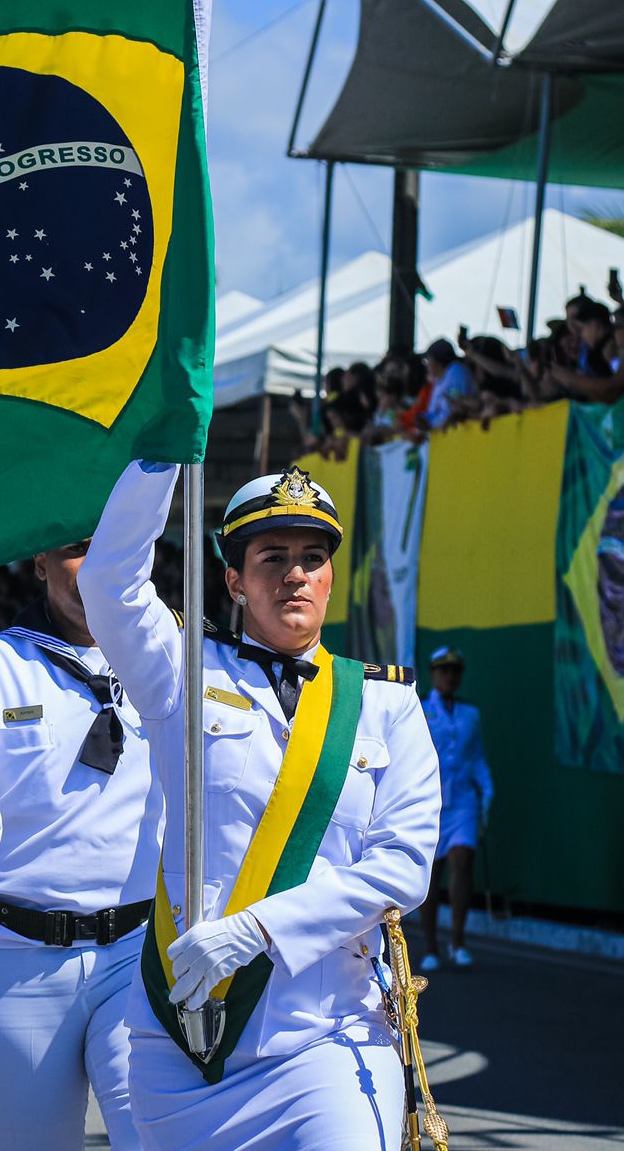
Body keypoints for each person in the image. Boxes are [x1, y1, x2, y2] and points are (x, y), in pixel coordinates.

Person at [77, 461, 441, 1151]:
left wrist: (259, 930)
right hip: (186, 1042)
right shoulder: (180, 667)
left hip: (328, 1031)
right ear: (236, 581)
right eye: (272, 558)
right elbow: (108, 585)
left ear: (331, 577)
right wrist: (160, 456)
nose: (295, 574)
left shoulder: (386, 702)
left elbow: (402, 866)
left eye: (312, 558)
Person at [0, 542, 161, 1151]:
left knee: (159, 1135)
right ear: (40, 562)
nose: (95, 567)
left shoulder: (172, 660)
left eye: (114, 547)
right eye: (75, 551)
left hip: (136, 958)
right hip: (6, 957)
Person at [419, 646, 493, 970]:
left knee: (463, 862)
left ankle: (459, 941)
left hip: (463, 800)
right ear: (434, 674)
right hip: (431, 801)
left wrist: (487, 791)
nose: (450, 677)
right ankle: (432, 947)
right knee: (431, 875)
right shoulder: (420, 709)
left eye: (455, 671)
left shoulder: (470, 715)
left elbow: (476, 757)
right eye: (443, 671)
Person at [418, 339, 478, 432]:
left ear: (436, 360)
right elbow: (433, 413)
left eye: (428, 360)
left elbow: (458, 407)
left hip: (463, 434)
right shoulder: (438, 381)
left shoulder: (456, 371)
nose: (427, 365)